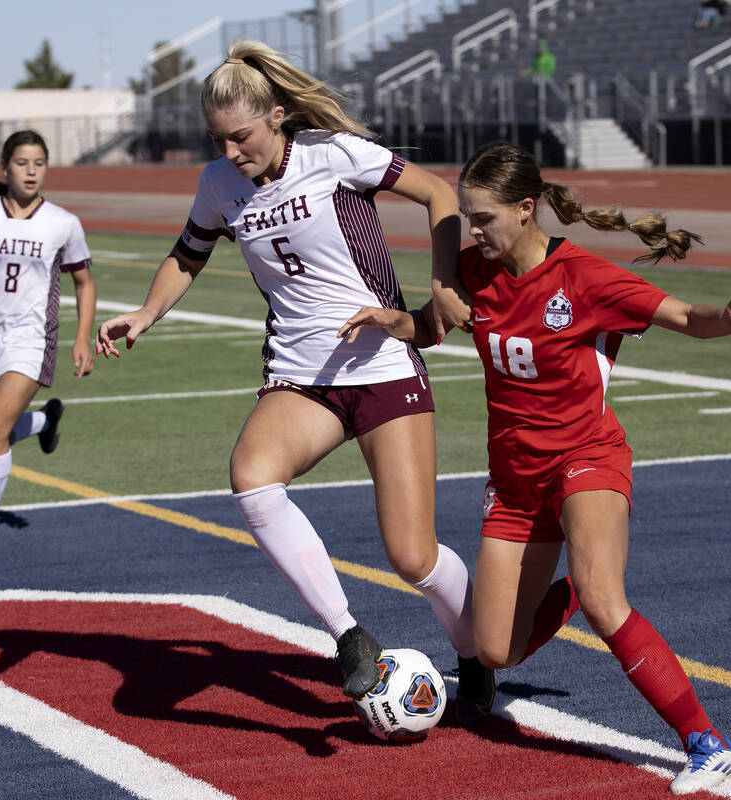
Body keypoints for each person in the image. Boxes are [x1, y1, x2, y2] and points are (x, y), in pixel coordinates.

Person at [339, 141, 731, 794]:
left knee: (609, 601)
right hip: (515, 486)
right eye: (466, 217)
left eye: (484, 217)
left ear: (526, 209)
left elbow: (686, 318)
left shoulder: (585, 279)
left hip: (587, 460)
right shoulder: (474, 269)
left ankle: (707, 743)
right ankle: (575, 585)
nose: (474, 230)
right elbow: (438, 326)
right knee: (494, 650)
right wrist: (397, 322)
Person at [95, 40, 492, 719]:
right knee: (251, 476)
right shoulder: (219, 185)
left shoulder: (332, 153)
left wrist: (442, 282)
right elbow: (186, 255)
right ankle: (348, 636)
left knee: (413, 556)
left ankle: (478, 656)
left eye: (241, 137)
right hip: (301, 376)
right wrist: (146, 313)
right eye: (218, 140)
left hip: (382, 365)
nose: (230, 153)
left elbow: (436, 192)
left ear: (277, 116)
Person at [0, 129, 98, 562]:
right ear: (6, 167)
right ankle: (44, 422)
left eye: (39, 163)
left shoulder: (63, 223)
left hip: (32, 338)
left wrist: (81, 338)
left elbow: (84, 283)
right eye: (23, 163)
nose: (31, 171)